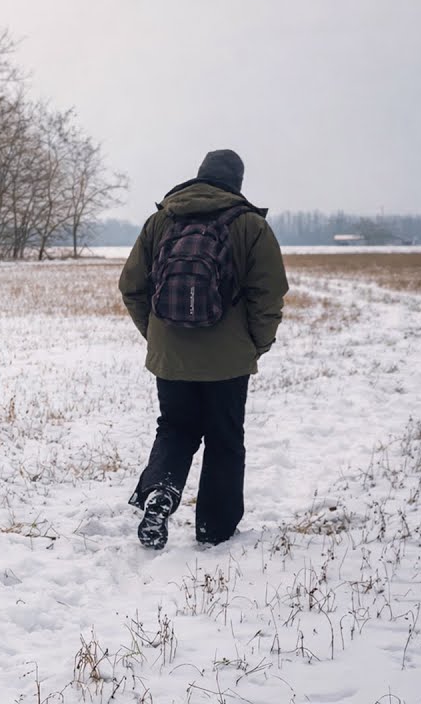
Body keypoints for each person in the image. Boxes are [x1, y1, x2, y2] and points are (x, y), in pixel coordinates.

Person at [118, 149, 288, 549]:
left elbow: (131, 287)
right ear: (237, 183)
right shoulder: (250, 225)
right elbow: (269, 296)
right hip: (228, 360)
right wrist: (255, 346)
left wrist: (157, 336)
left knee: (175, 429)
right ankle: (216, 530)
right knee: (225, 438)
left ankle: (160, 492)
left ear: (198, 176)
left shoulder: (161, 221)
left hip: (170, 355)